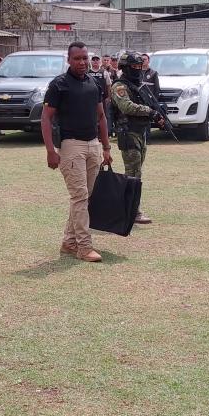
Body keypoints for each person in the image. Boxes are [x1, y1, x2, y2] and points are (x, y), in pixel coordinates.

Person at [41, 41, 114, 263]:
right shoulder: (58, 85)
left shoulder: (94, 83)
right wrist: (51, 151)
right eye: (77, 59)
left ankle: (69, 242)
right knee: (79, 196)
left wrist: (106, 146)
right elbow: (46, 118)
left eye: (85, 58)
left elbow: (101, 116)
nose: (82, 62)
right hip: (71, 145)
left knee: (85, 197)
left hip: (93, 145)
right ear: (69, 60)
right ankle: (84, 246)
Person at [111, 50, 159, 225]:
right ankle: (132, 211)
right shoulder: (120, 86)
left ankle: (127, 209)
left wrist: (156, 114)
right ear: (125, 68)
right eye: (134, 67)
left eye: (140, 66)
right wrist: (149, 111)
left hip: (140, 132)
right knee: (132, 174)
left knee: (136, 173)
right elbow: (127, 107)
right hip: (128, 133)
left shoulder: (136, 85)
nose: (138, 70)